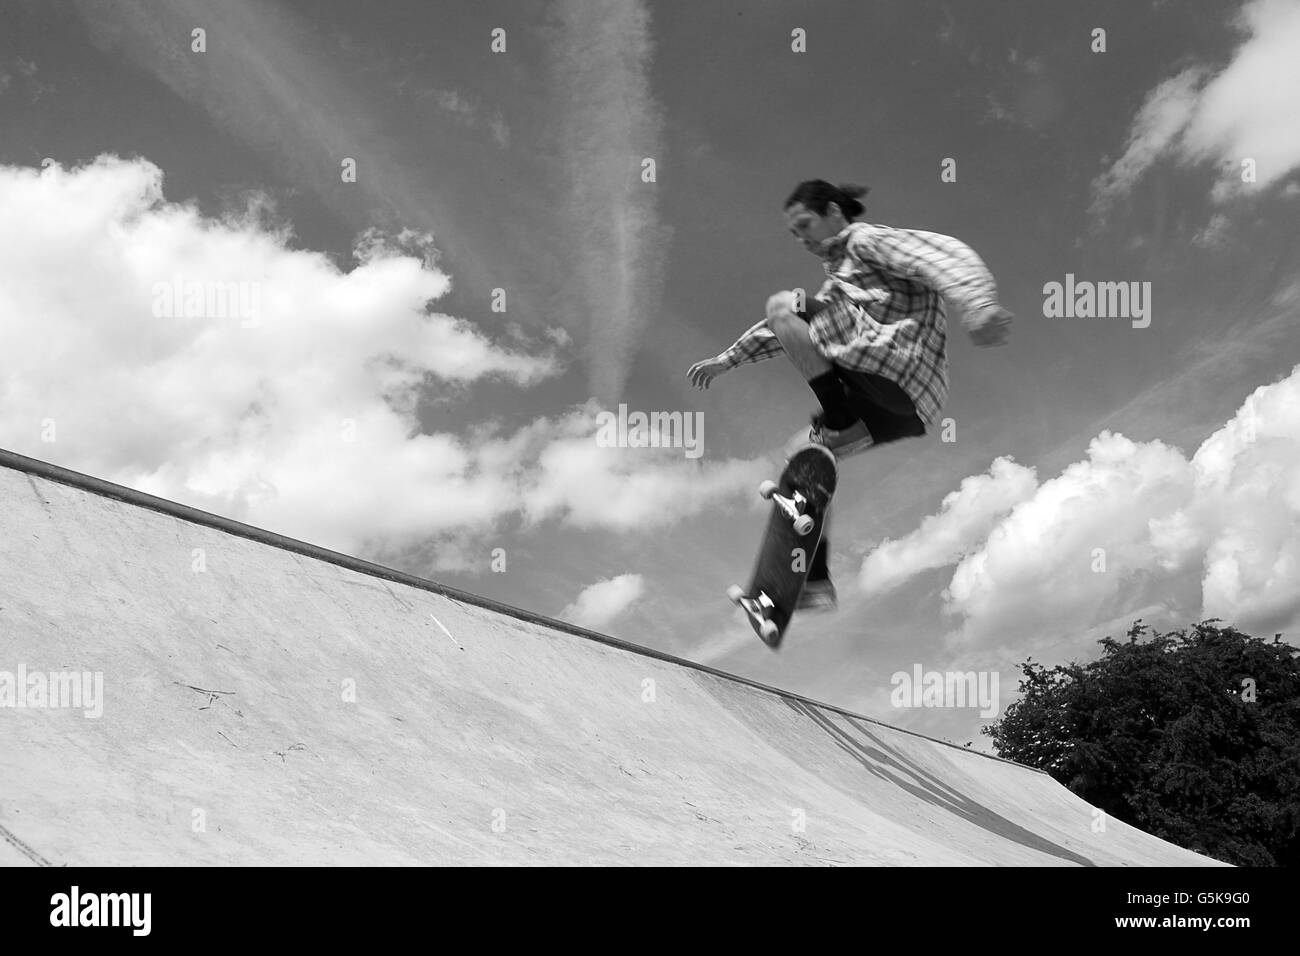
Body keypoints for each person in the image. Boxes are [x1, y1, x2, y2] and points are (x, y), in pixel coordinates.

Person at [687, 179, 1013, 610]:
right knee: (802, 455)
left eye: (805, 225)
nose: (802, 238)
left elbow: (941, 254)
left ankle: (839, 417)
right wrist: (728, 360)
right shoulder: (839, 289)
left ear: (834, 213)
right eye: (794, 233)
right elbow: (784, 332)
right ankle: (814, 583)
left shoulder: (866, 240)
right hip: (904, 410)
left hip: (894, 366)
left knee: (785, 304)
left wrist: (978, 304)